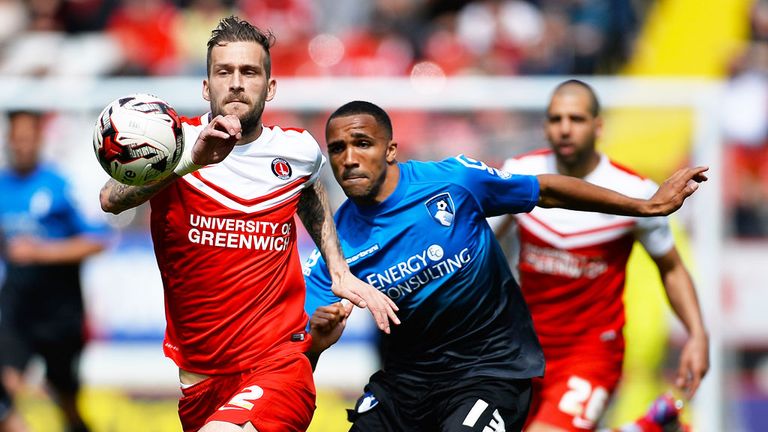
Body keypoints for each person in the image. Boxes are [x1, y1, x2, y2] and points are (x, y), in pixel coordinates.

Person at [303, 100, 708, 432]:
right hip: (404, 384)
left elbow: (543, 190)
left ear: (390, 150)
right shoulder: (333, 249)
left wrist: (645, 206)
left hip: (490, 369)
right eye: (337, 149)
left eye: (362, 144)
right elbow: (296, 349)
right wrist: (318, 341)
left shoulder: (455, 183)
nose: (350, 159)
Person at [98, 16, 397, 432]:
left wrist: (339, 270)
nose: (237, 83)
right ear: (207, 87)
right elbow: (111, 199)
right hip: (201, 383)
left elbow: (310, 190)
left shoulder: (296, 151)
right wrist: (190, 162)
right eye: (225, 72)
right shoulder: (174, 145)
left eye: (249, 72)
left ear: (270, 87)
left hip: (279, 366)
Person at [491, 80, 709, 431]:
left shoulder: (634, 191)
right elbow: (479, 242)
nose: (565, 129)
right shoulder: (520, 174)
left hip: (591, 353)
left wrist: (697, 335)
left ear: (598, 126)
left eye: (576, 119)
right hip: (522, 349)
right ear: (545, 126)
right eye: (556, 119)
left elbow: (671, 268)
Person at [0, 110, 106, 432]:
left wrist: (41, 252)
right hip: (17, 309)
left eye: (28, 138)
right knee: (5, 387)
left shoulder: (60, 186)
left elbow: (97, 241)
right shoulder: (2, 186)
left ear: (39, 140)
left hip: (60, 311)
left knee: (66, 400)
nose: (21, 145)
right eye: (16, 138)